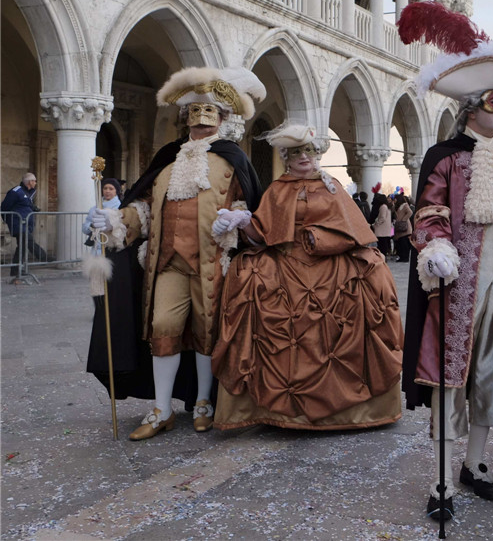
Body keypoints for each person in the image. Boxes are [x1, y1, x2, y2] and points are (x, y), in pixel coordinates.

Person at [397, 0, 493, 522]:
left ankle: (475, 464)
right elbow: (430, 211)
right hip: (459, 283)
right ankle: (441, 477)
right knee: (448, 374)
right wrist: (434, 247)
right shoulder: (445, 157)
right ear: (472, 107)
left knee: (489, 373)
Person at [90, 66, 264, 440]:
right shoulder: (167, 160)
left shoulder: (233, 159)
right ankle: (162, 409)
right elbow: (147, 207)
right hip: (165, 261)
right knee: (162, 329)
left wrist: (235, 220)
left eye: (210, 113)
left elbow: (247, 203)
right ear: (185, 117)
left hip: (211, 261)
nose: (201, 120)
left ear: (223, 118)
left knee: (206, 332)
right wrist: (117, 220)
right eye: (195, 113)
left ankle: (203, 402)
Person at [210, 123, 403, 430]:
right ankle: (273, 409)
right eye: (297, 153)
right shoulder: (277, 189)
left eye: (310, 151)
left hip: (332, 262)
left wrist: (320, 238)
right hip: (285, 262)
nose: (305, 158)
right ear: (286, 158)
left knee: (370, 278)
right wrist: (242, 220)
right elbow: (261, 235)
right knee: (251, 274)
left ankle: (351, 407)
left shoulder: (333, 187)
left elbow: (356, 234)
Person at [2, 172, 51, 276]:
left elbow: (25, 204)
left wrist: (33, 208)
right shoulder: (16, 192)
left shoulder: (28, 193)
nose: (36, 183)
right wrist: (8, 220)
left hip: (25, 224)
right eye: (34, 181)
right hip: (18, 223)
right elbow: (4, 207)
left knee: (22, 247)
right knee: (28, 241)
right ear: (30, 182)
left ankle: (15, 271)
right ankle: (44, 257)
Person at [370, 192, 393, 256]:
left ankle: (383, 257)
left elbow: (382, 218)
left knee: (381, 245)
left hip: (381, 229)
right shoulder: (387, 206)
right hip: (386, 229)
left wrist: (375, 224)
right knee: (384, 244)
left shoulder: (383, 206)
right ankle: (384, 256)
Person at [393, 194, 413, 263]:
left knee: (404, 244)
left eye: (395, 198)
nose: (394, 200)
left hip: (405, 227)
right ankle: (402, 257)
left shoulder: (404, 205)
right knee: (401, 243)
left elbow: (410, 212)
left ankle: (405, 257)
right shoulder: (397, 206)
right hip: (400, 227)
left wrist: (403, 219)